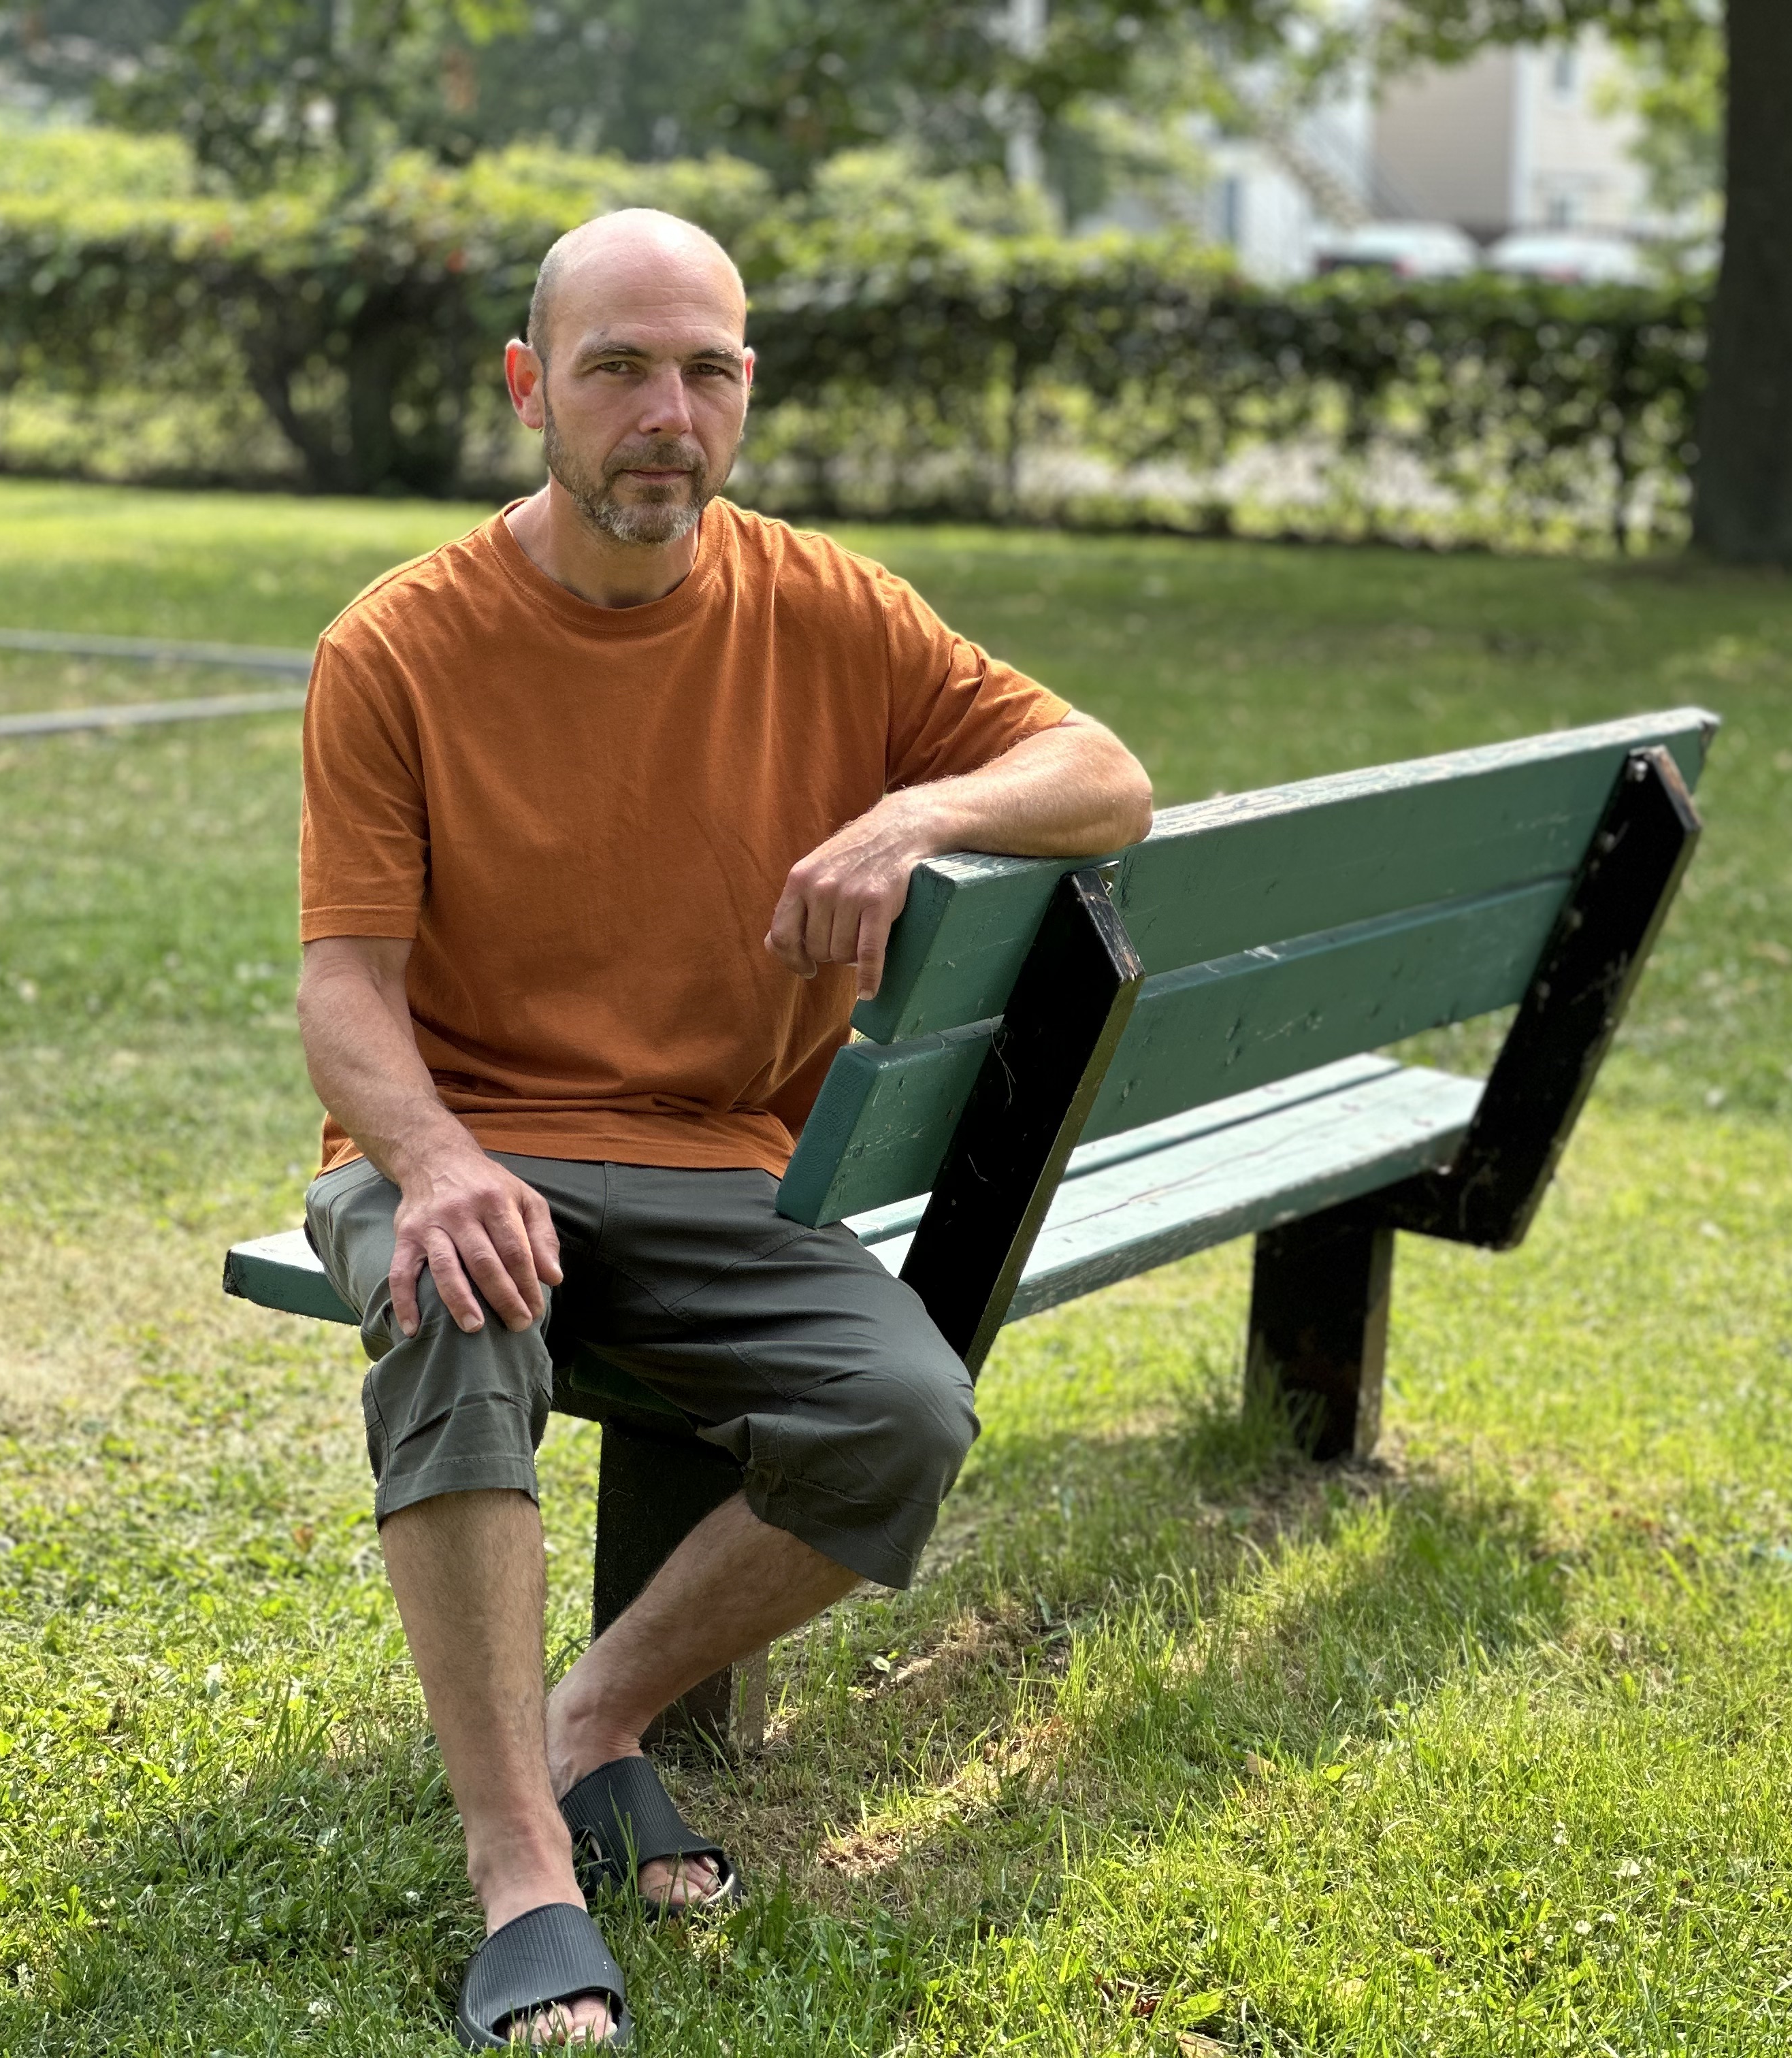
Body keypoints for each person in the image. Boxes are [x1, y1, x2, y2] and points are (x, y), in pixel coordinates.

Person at [290, 207, 1151, 2046]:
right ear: (530, 386)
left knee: (903, 1416)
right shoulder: (400, 645)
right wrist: (435, 1164)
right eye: (616, 369)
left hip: (718, 1168)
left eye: (705, 372)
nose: (664, 417)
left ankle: (593, 1718)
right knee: (460, 1300)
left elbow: (1107, 775)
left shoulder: (835, 611)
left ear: (747, 389)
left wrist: (916, 816)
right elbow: (344, 987)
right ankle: (523, 1869)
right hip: (465, 1147)